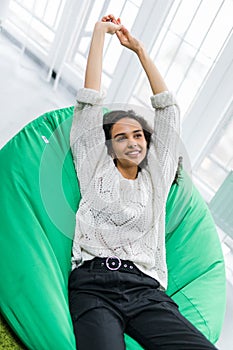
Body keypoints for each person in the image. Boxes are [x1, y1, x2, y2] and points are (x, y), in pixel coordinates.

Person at [68, 14, 217, 350]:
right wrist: (97, 35)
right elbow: (89, 101)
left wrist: (140, 51)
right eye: (121, 137)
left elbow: (169, 112)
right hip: (93, 285)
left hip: (145, 291)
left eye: (138, 135)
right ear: (108, 146)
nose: (132, 141)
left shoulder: (157, 178)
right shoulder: (94, 167)